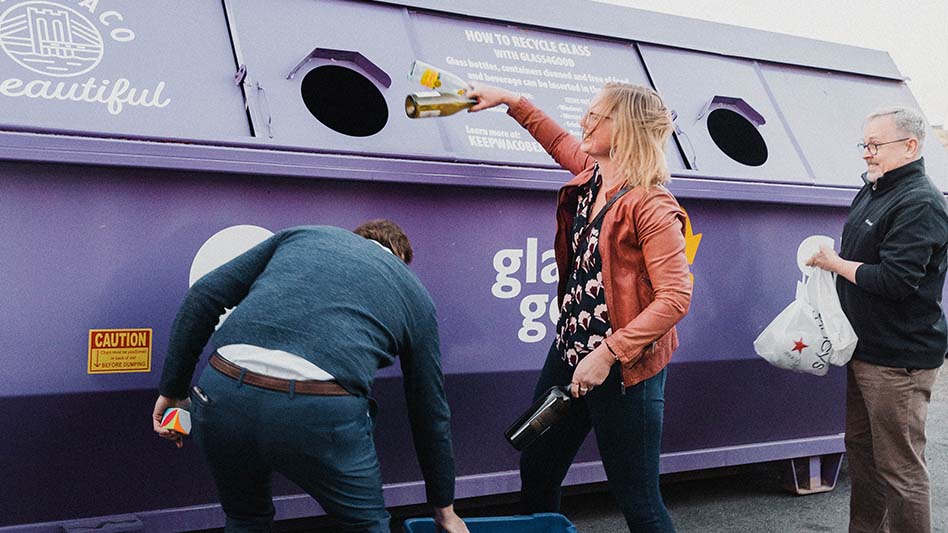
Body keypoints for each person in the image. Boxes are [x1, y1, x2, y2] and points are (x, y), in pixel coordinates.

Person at [468, 83, 692, 531]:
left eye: (596, 116)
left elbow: (675, 297)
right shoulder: (592, 176)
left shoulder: (650, 204)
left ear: (626, 128)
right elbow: (555, 140)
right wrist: (510, 101)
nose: (583, 123)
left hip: (626, 371)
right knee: (538, 468)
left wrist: (607, 354)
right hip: (569, 353)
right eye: (586, 114)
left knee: (639, 500)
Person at [151, 220, 469, 533]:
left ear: (354, 239)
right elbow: (429, 410)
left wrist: (173, 390)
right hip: (317, 411)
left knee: (245, 519)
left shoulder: (303, 236)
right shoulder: (412, 289)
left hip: (221, 392)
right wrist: (445, 509)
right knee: (367, 525)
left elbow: (203, 295)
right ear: (400, 259)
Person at [807, 107, 948, 533]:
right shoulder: (875, 189)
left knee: (900, 471)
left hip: (898, 361)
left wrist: (835, 263)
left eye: (875, 145)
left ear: (910, 146)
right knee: (865, 463)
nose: (867, 154)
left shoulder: (920, 201)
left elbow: (896, 280)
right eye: (864, 145)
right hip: (865, 351)